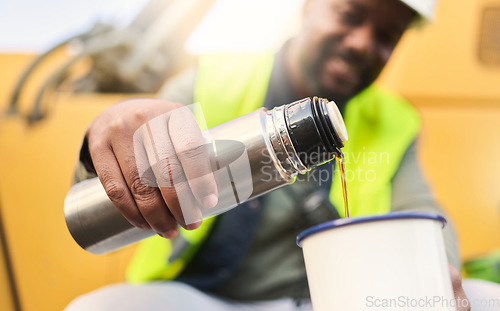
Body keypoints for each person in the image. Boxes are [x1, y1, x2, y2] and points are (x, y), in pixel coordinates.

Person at [66, 0, 474, 309]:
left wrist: (437, 272)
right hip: (195, 296)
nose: (363, 44)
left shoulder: (394, 120)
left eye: (387, 35)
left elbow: (423, 210)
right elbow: (104, 191)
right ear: (309, 6)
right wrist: (106, 146)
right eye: (350, 14)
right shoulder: (212, 83)